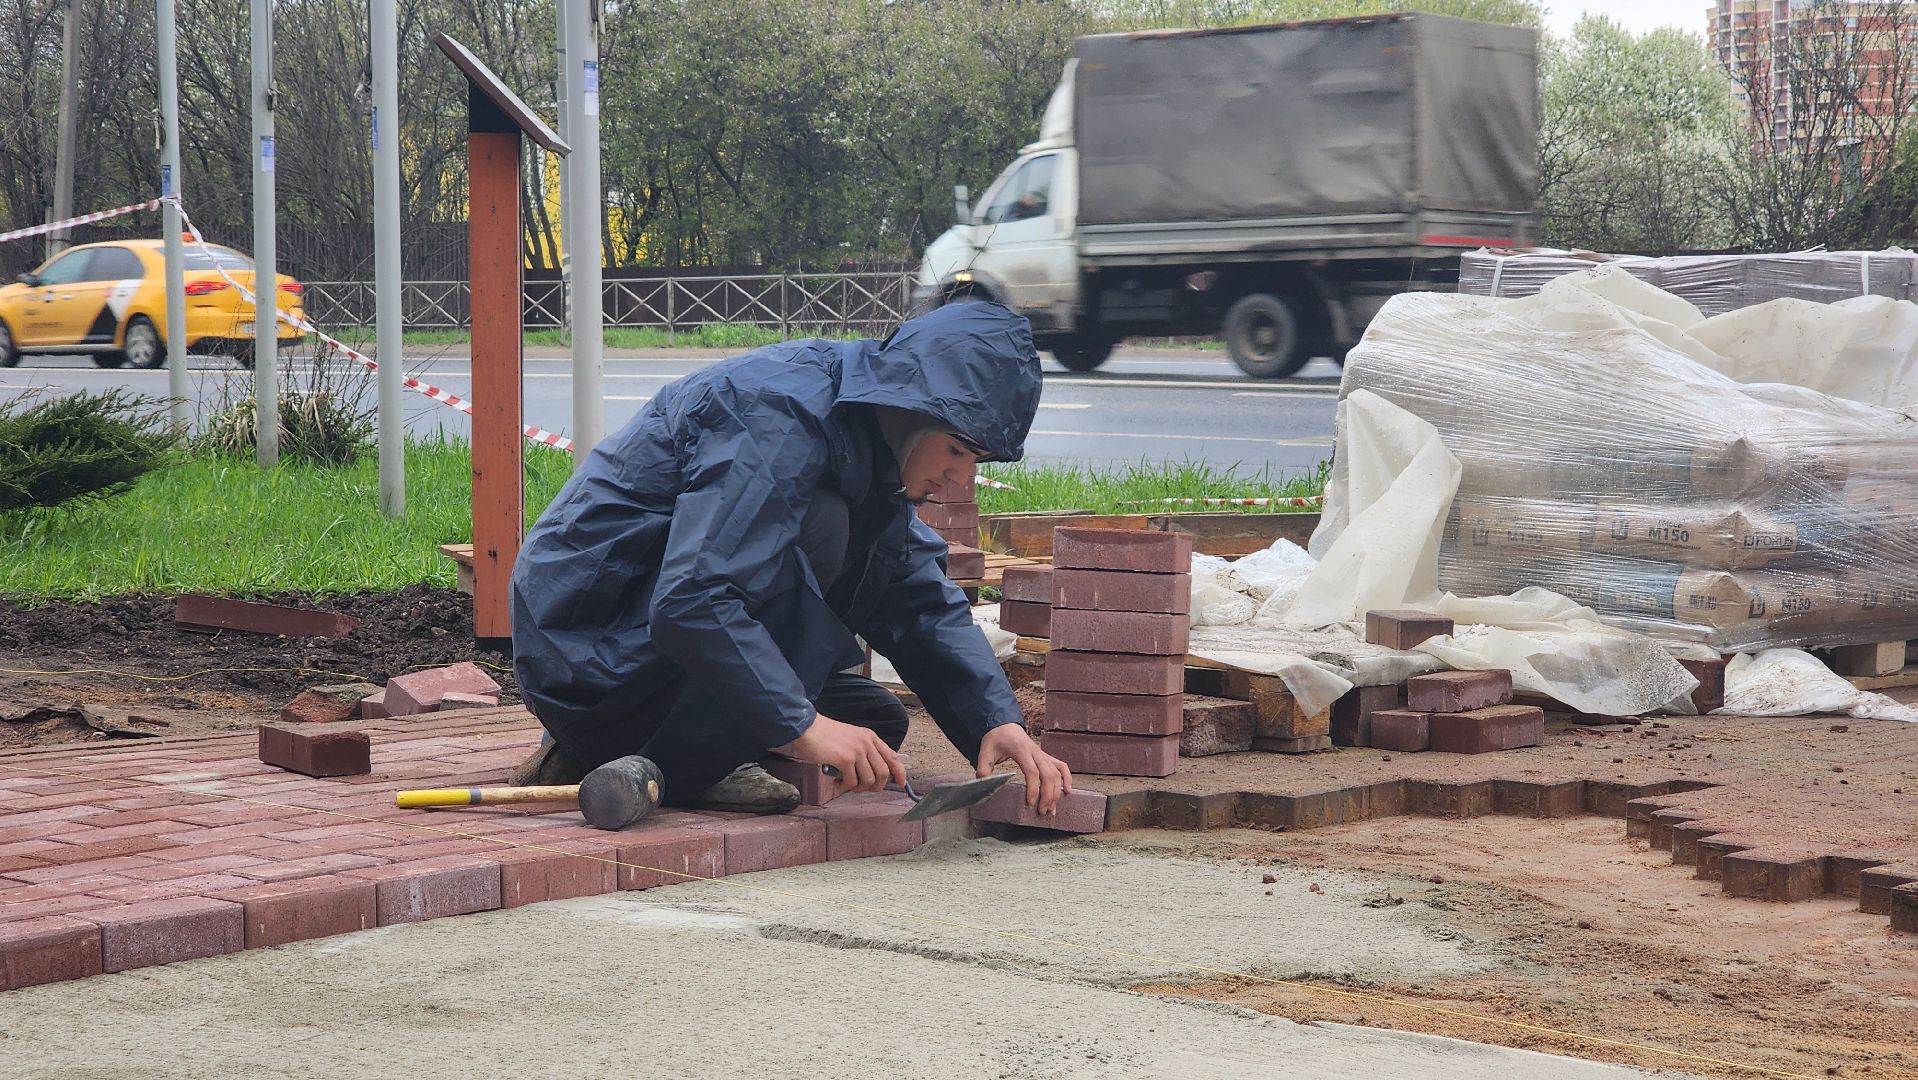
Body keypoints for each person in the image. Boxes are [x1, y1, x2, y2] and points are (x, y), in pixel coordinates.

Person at [507, 301, 1073, 818]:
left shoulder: (871, 438)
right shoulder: (779, 415)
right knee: (822, 526)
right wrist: (801, 725)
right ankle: (639, 752)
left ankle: (660, 751)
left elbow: (915, 597)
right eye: (956, 449)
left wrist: (995, 720)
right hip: (589, 652)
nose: (961, 476)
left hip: (643, 644)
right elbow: (694, 596)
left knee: (876, 723)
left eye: (977, 458)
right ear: (909, 408)